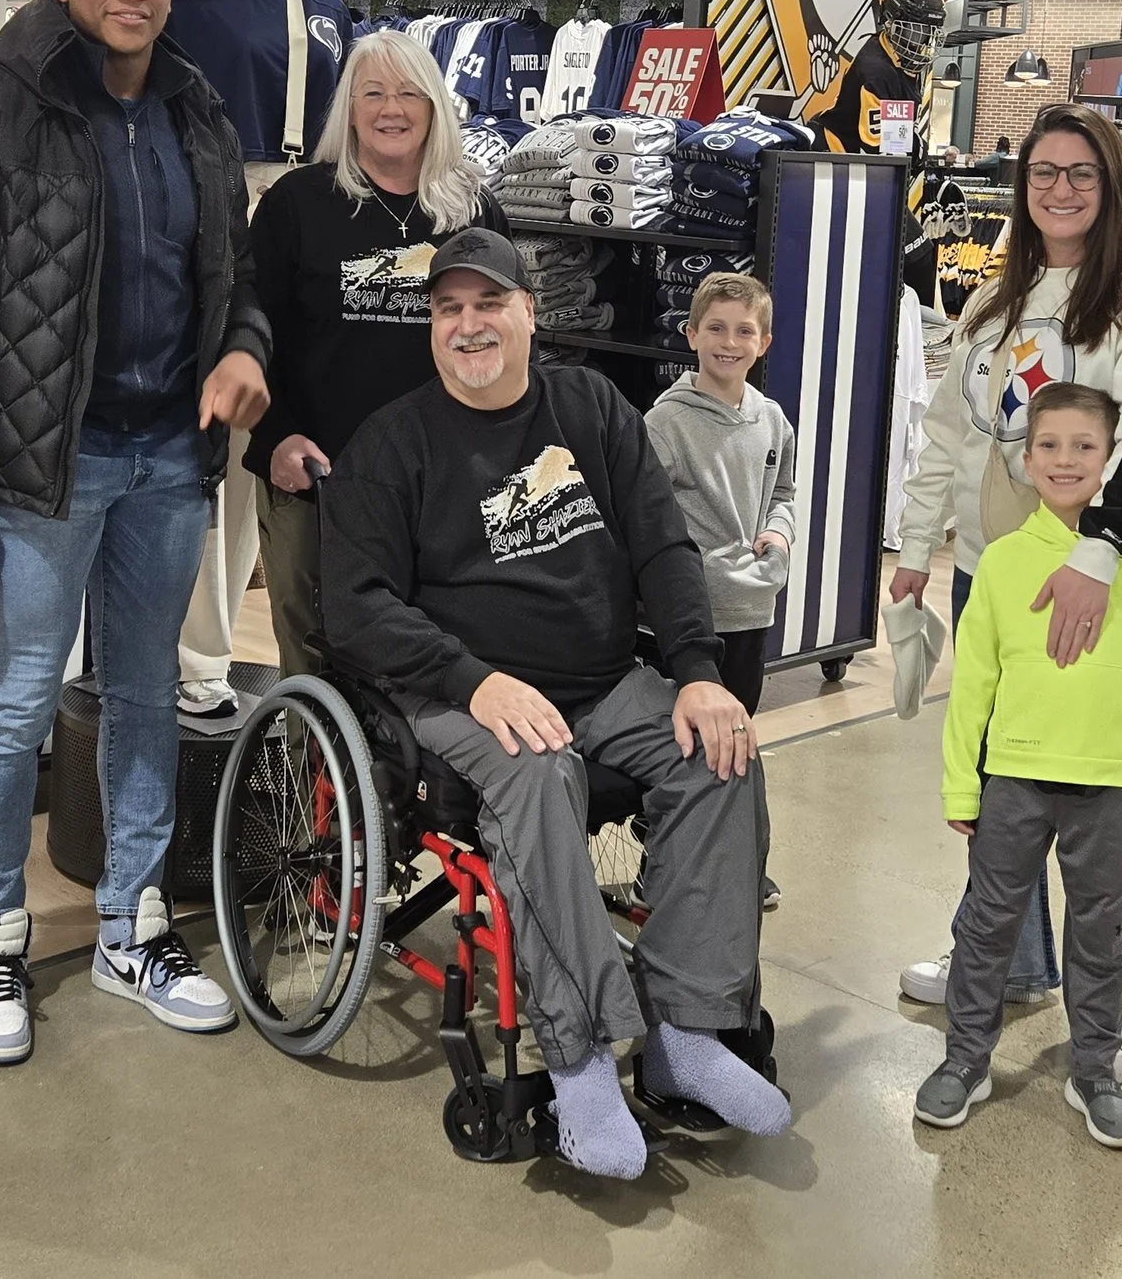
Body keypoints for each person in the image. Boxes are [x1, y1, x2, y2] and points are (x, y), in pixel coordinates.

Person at [0, 0, 273, 1067]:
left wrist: (244, 346)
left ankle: (132, 926)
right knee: (10, 704)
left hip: (168, 458)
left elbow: (233, 274)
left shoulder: (195, 114)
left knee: (145, 694)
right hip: (40, 467)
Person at [322, 228, 787, 1180]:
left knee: (722, 754)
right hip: (464, 689)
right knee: (537, 777)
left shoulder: (590, 407)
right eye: (448, 309)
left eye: (488, 303)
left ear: (530, 312)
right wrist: (474, 681)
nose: (468, 324)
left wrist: (699, 671)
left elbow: (663, 543)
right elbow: (357, 607)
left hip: (604, 679)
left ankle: (688, 1035)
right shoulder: (393, 443)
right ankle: (577, 1060)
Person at [889, 101, 1122, 1086]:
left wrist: (1101, 553)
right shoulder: (991, 302)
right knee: (998, 782)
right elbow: (949, 433)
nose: (1059, 189)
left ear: (1112, 187)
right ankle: (1012, 961)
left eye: (1080, 173)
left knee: (1105, 794)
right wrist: (913, 546)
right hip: (994, 570)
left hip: (1096, 576)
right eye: (1042, 173)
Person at [914, 382, 1122, 1147]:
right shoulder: (1000, 563)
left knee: (1102, 930)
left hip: (1108, 783)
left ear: (1109, 461)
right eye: (1050, 446)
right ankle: (965, 1058)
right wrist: (961, 780)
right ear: (1027, 458)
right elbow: (973, 686)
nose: (1066, 459)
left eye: (1085, 446)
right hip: (1014, 778)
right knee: (988, 922)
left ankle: (1095, 1068)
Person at [245, 30, 508, 675]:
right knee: (316, 661)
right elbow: (250, 330)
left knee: (433, 659)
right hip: (316, 476)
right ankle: (309, 774)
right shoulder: (296, 204)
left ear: (436, 106)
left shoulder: (473, 213)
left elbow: (503, 342)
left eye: (410, 93)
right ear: (349, 109)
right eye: (373, 93)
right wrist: (276, 435)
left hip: (441, 486)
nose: (392, 109)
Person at [645, 270, 795, 905]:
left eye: (744, 330)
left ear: (763, 342)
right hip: (689, 615)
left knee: (739, 739)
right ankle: (669, 865)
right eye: (715, 328)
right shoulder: (666, 423)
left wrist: (780, 536)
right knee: (683, 745)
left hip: (750, 607)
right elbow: (644, 513)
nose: (729, 342)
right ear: (691, 335)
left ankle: (736, 865)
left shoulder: (773, 420)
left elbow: (782, 493)